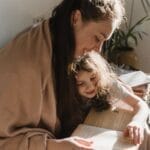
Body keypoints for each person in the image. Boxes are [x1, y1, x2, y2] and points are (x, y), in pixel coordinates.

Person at [0, 0, 145, 149]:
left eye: (103, 42)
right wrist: (55, 146)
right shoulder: (24, 65)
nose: (98, 50)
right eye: (97, 38)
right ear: (75, 18)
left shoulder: (68, 45)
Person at [69, 51, 149, 146]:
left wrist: (137, 121)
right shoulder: (69, 95)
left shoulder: (109, 84)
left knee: (145, 131)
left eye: (93, 78)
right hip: (88, 129)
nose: (90, 87)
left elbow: (141, 104)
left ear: (100, 72)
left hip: (111, 120)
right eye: (80, 83)